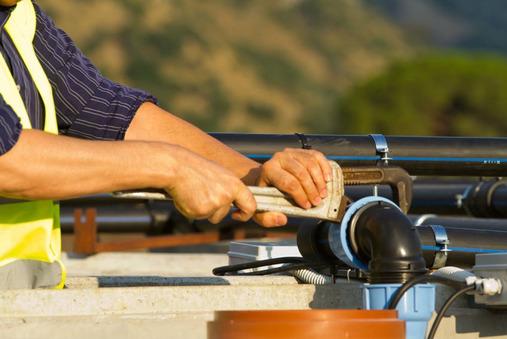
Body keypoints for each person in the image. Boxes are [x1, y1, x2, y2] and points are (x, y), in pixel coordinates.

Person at [0, 0, 331, 289]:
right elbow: (6, 159)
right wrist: (169, 167)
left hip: (21, 307)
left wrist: (251, 178)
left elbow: (107, 111)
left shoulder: (20, 17)